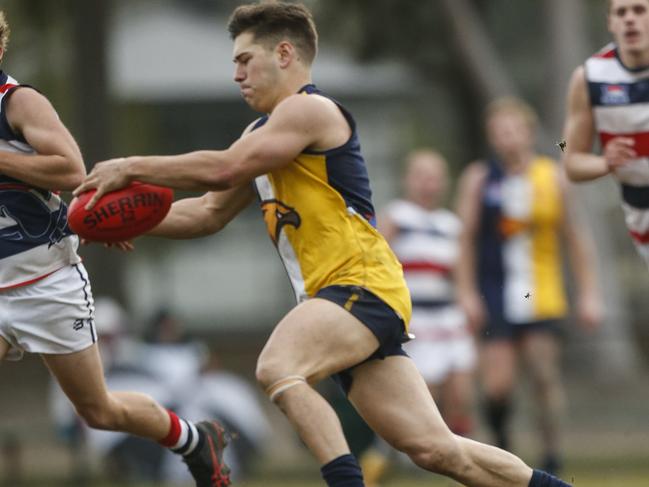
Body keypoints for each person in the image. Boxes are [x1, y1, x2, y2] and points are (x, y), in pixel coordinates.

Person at [75, 3, 573, 486]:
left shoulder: (309, 109)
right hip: (339, 299)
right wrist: (121, 223)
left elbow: (225, 166)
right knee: (436, 449)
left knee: (278, 366)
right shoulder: (260, 134)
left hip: (358, 283)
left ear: (285, 54)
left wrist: (131, 166)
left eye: (245, 60)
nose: (237, 76)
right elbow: (205, 213)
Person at [0, 11, 230, 487]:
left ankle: (193, 439)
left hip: (48, 284)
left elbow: (69, 169)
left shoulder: (19, 102)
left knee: (98, 410)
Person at [455, 97, 601, 474]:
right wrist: (466, 293)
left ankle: (552, 456)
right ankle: (502, 449)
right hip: (495, 291)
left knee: (543, 376)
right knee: (497, 387)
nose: (506, 137)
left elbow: (576, 238)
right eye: (498, 131)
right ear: (491, 137)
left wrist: (589, 293)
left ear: (528, 132)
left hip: (540, 291)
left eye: (513, 129)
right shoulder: (479, 178)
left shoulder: (551, 175)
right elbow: (465, 240)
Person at [361, 149, 477, 487]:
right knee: (421, 396)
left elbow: (462, 274)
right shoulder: (397, 216)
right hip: (416, 320)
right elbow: (377, 262)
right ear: (408, 180)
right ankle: (382, 456)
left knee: (461, 395)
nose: (429, 183)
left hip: (448, 317)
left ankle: (463, 461)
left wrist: (469, 300)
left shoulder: (450, 224)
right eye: (421, 175)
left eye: (435, 176)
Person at [563, 0, 649, 269]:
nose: (630, 19)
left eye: (639, 10)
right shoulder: (590, 77)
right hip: (640, 208)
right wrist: (605, 162)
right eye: (621, 12)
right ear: (610, 23)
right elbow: (571, 160)